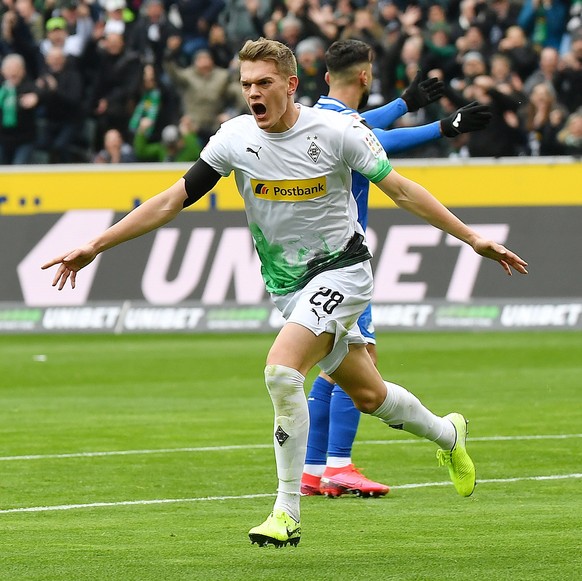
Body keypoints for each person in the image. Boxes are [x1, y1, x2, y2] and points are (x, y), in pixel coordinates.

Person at [42, 38, 528, 549]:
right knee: (369, 395)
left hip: (343, 270)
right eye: (247, 84)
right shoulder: (233, 138)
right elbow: (172, 200)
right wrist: (96, 244)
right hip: (289, 286)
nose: (253, 93)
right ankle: (449, 434)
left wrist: (473, 238)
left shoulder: (338, 131)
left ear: (291, 85)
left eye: (264, 83)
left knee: (281, 369)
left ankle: (286, 511)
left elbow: (402, 190)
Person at [302, 38, 493, 499]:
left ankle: (314, 470)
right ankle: (340, 465)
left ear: (327, 76)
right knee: (360, 365)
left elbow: (362, 124)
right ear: (365, 76)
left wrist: (405, 103)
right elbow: (375, 139)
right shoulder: (347, 128)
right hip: (342, 262)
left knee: (331, 366)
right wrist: (441, 128)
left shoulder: (312, 116)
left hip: (304, 263)